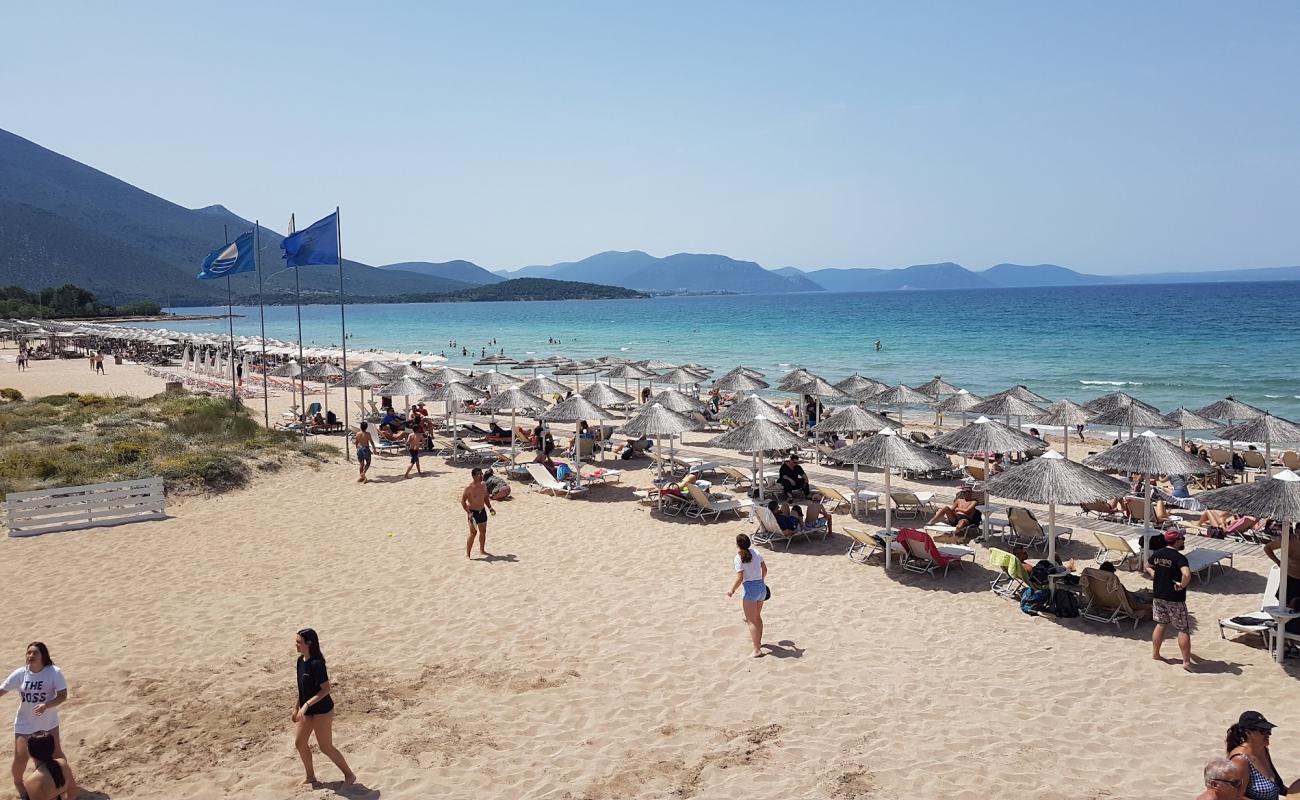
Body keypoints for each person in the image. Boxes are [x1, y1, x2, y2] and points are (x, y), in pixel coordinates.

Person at [0, 643, 68, 800]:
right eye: (28, 653)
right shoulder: (20, 674)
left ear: (43, 655)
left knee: (56, 753)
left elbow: (62, 695)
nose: (30, 656)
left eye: (34, 653)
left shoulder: (54, 672)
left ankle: (63, 781)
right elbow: (2, 690)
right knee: (21, 756)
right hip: (25, 722)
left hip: (48, 721)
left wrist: (46, 705)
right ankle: (19, 784)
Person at [292, 629, 355, 785]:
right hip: (307, 710)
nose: (296, 644)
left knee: (325, 747)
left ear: (309, 643)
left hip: (322, 711)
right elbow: (301, 688)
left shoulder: (317, 664)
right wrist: (296, 708)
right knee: (300, 743)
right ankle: (310, 777)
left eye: (299, 642)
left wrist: (306, 705)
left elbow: (326, 689)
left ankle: (349, 775)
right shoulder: (300, 661)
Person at [1144, 530, 1194, 669]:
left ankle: (1155, 654)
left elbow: (1147, 566)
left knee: (1161, 624)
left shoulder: (1158, 553)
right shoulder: (1180, 558)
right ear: (1176, 541)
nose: (1184, 540)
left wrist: (1156, 575)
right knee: (1183, 629)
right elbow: (1186, 574)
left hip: (1159, 595)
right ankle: (1186, 662)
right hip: (1174, 598)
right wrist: (1182, 585)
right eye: (1182, 538)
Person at [1226, 711, 1300, 799]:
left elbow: (1277, 787)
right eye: (1263, 731)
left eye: (1269, 730)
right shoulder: (1240, 760)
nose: (1269, 734)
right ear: (1248, 732)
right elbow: (1236, 796)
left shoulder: (1263, 750)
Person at [726, 533, 767, 658]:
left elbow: (740, 578)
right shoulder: (756, 552)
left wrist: (732, 590)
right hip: (761, 587)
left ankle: (756, 650)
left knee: (751, 621)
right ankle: (758, 643)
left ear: (738, 545)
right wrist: (761, 581)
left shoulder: (738, 557)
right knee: (757, 617)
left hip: (750, 589)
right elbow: (765, 570)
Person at [461, 467, 496, 559]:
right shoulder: (469, 488)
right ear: (473, 476)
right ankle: (468, 554)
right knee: (473, 533)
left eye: (482, 474)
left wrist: (490, 508)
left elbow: (485, 498)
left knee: (483, 532)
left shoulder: (484, 485)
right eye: (479, 474)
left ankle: (482, 550)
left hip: (482, 511)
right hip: (473, 513)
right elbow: (463, 501)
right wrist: (468, 513)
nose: (481, 476)